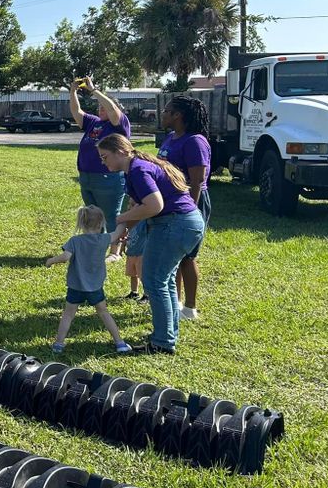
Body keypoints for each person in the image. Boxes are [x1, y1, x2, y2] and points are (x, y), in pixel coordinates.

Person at [98, 134, 205, 355]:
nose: (103, 162)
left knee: (154, 281)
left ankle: (163, 343)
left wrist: (120, 218)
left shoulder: (137, 169)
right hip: (187, 223)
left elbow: (155, 205)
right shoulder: (134, 169)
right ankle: (167, 336)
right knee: (163, 281)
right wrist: (121, 231)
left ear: (120, 151)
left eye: (105, 157)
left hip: (175, 224)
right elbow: (141, 209)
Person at [44, 205, 133, 354]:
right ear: (101, 224)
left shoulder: (75, 241)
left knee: (68, 314)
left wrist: (51, 261)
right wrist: (126, 218)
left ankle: (58, 344)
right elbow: (118, 233)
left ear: (82, 223)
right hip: (95, 287)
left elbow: (65, 257)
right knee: (104, 312)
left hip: (76, 286)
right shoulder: (104, 239)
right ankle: (120, 343)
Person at [157, 96, 211, 321]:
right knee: (173, 256)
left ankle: (189, 308)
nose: (163, 114)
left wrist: (190, 210)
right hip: (170, 201)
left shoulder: (194, 141)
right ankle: (175, 302)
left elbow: (197, 180)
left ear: (178, 115)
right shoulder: (170, 138)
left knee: (187, 256)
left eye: (167, 111)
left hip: (189, 202)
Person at [70, 77, 131, 233]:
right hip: (86, 177)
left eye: (103, 106)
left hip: (108, 178)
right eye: (99, 107)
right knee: (93, 215)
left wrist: (93, 90)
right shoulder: (94, 122)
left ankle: (114, 251)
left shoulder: (119, 124)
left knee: (111, 215)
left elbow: (112, 110)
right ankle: (97, 245)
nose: (100, 109)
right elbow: (77, 112)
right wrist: (73, 92)